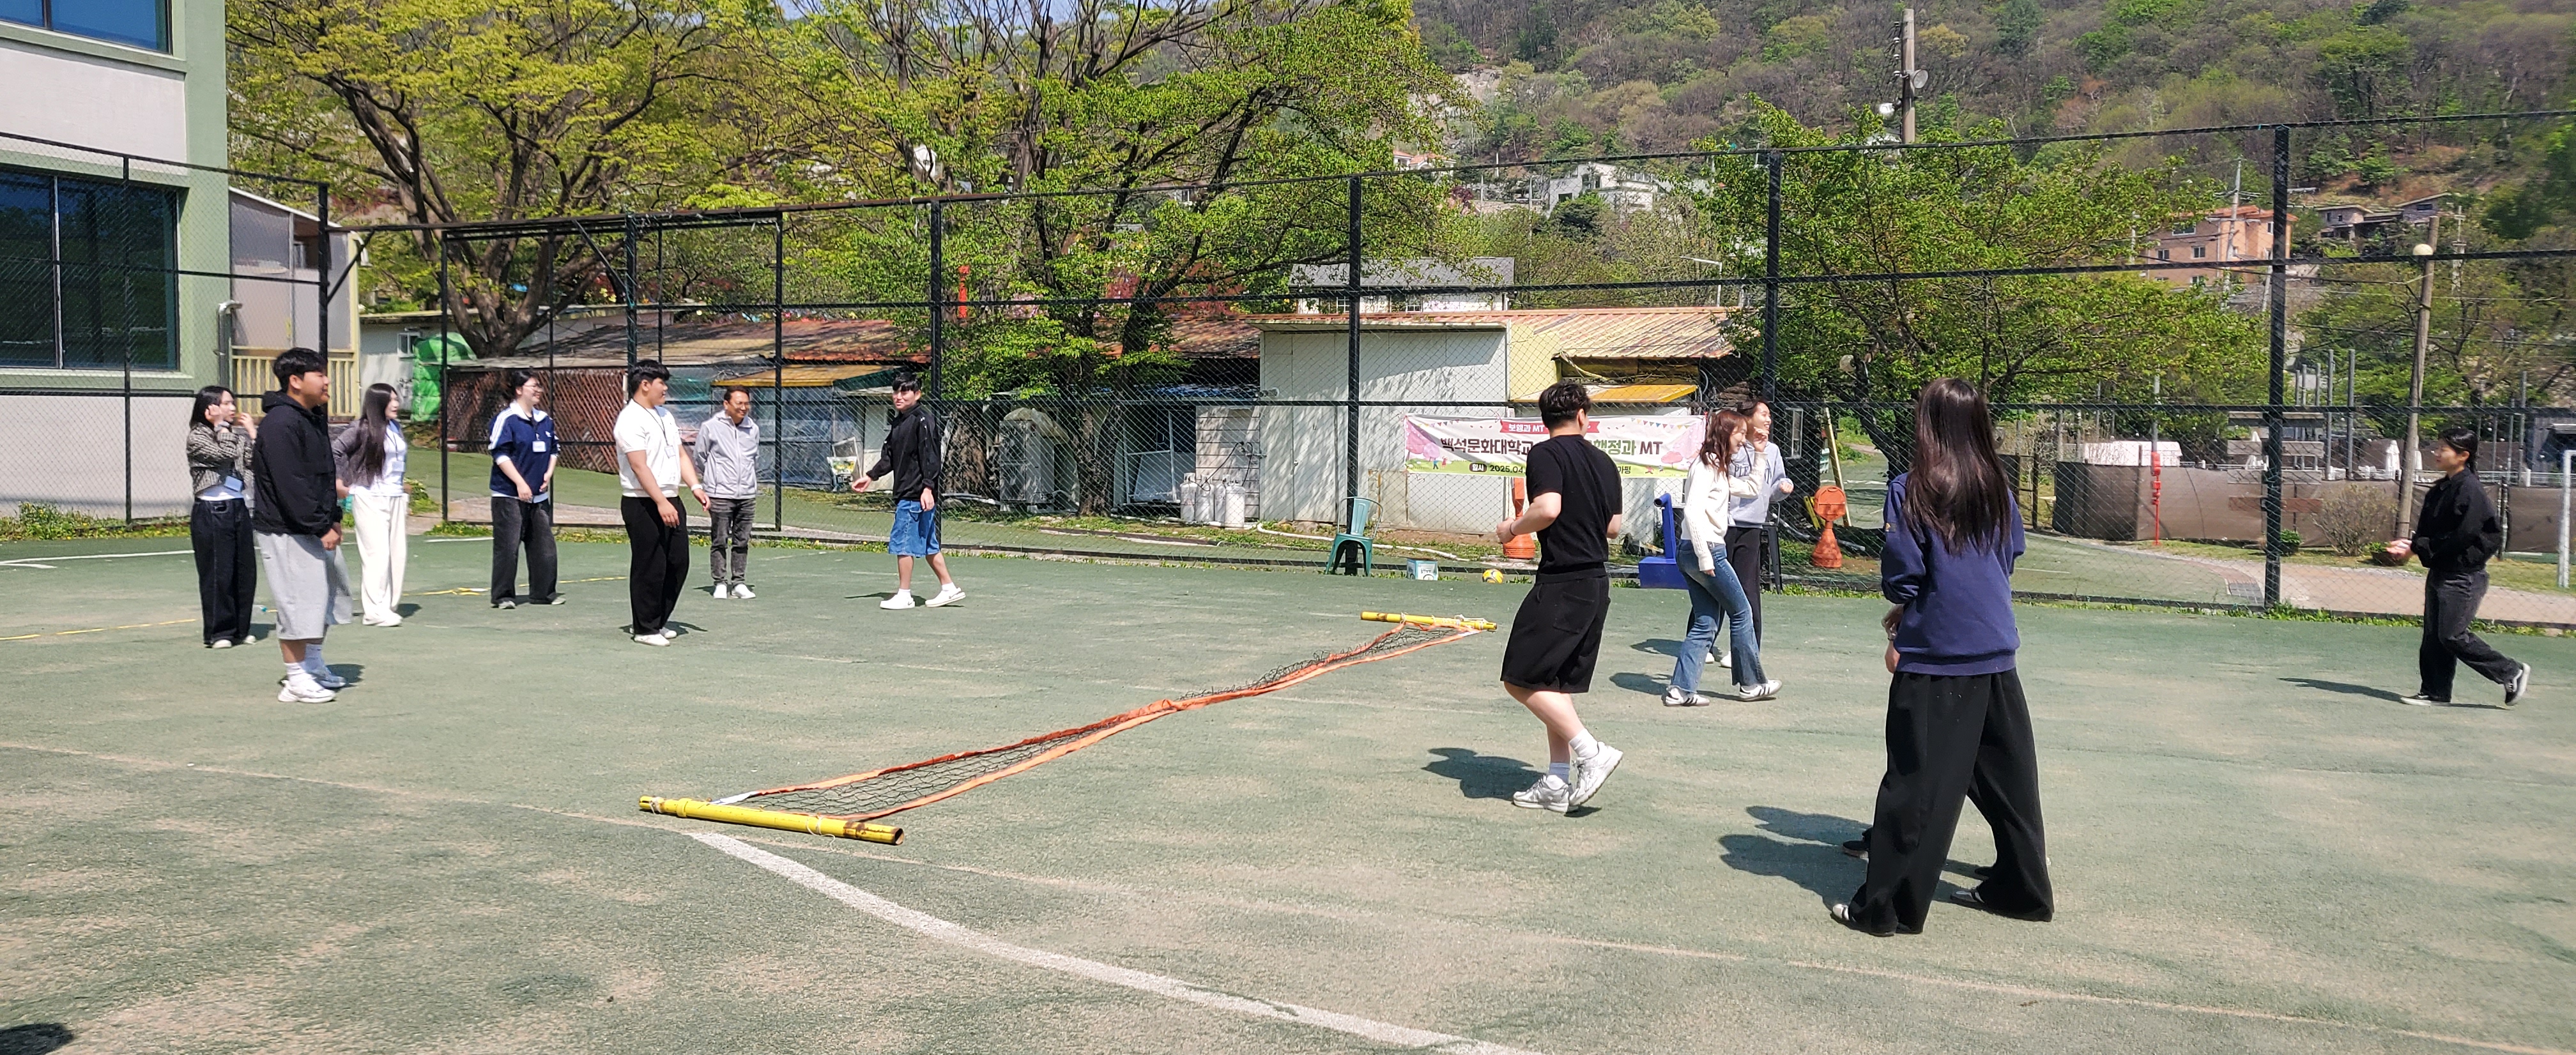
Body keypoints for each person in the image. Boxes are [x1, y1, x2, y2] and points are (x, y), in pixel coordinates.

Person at [1833, 378, 2051, 936]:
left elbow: (1903, 574)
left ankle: (1885, 908)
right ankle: (2023, 889)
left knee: (1917, 780)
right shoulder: (1996, 486)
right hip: (1996, 647)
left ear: (1927, 424)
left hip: (1938, 655)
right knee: (2009, 777)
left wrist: (1902, 622)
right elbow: (2011, 555)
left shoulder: (1913, 488)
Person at [1495, 381, 1626, 813]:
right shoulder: (1604, 462)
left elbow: (1547, 508)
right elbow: (1613, 528)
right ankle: (1556, 779)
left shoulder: (1546, 454)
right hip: (1594, 583)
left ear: (1544, 419)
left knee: (1519, 677)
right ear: (1584, 417)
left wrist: (1512, 529)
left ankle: (1591, 753)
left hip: (1563, 582)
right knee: (1552, 682)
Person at [2391, 426, 2531, 706]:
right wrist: (2412, 546)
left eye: (2443, 448)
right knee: (2434, 635)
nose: (2436, 452)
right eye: (2438, 447)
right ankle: (2435, 692)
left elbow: (2465, 535)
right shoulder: (2442, 488)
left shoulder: (2470, 490)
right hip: (2442, 572)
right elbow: (2434, 532)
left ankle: (2511, 671)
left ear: (2463, 455)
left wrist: (2420, 548)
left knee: (2452, 635)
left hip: (2464, 577)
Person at [250, 348, 354, 702]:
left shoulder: (311, 417)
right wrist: (319, 525)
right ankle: (295, 677)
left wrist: (335, 519)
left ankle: (312, 665)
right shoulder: (281, 423)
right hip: (287, 529)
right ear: (295, 381)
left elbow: (325, 475)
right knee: (297, 602)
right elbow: (289, 484)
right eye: (319, 374)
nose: (327, 381)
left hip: (315, 526)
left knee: (327, 597)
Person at [1670, 409, 1780, 705]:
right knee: (1742, 612)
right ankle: (1751, 684)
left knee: (1706, 622)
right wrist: (1706, 558)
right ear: (1725, 434)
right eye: (1740, 434)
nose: (1744, 439)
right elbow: (1692, 511)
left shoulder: (1719, 468)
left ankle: (1680, 690)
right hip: (1706, 550)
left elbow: (1754, 489)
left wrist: (1760, 455)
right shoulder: (1707, 467)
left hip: (1691, 552)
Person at [853, 372, 963, 609]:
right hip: (913, 492)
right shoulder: (899, 421)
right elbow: (890, 457)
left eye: (905, 392)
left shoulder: (923, 420)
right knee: (928, 545)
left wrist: (928, 488)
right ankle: (949, 588)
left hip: (915, 494)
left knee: (903, 544)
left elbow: (931, 456)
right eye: (896, 392)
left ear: (917, 394)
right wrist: (870, 476)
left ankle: (905, 595)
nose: (899, 396)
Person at [615, 360, 706, 646]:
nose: (665, 388)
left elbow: (679, 454)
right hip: (642, 504)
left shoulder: (665, 415)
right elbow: (640, 467)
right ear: (644, 385)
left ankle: (659, 620)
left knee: (678, 562)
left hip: (671, 497)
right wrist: (660, 503)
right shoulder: (629, 420)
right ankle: (644, 629)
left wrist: (695, 486)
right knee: (650, 565)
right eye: (661, 383)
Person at [1714, 399, 1797, 667]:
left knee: (1749, 592)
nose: (1769, 420)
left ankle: (1749, 649)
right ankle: (1704, 640)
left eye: (1770, 415)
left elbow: (1771, 491)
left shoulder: (1772, 451)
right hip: (1724, 525)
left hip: (1752, 527)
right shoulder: (1732, 447)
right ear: (1747, 419)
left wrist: (1782, 489)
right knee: (1715, 587)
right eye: (1764, 414)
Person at [185, 386, 258, 648]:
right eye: (226, 404)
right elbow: (224, 454)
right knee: (218, 572)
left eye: (232, 403)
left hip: (239, 507)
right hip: (212, 510)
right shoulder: (198, 436)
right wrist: (220, 428)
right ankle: (219, 633)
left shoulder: (232, 434)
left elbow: (254, 463)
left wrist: (252, 435)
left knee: (244, 571)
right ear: (210, 408)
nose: (232, 408)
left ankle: (241, 628)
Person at [334, 383, 411, 627]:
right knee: (377, 554)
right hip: (369, 496)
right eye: (390, 400)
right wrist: (341, 481)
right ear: (378, 404)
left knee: (397, 555)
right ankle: (374, 611)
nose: (396, 404)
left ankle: (387, 606)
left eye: (396, 399)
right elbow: (335, 451)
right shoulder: (361, 428)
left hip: (395, 496)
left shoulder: (395, 428)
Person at [487, 369, 561, 609]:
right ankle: (503, 596)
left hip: (539, 496)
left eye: (540, 386)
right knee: (508, 547)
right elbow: (499, 453)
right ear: (519, 390)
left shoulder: (545, 419)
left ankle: (543, 593)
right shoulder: (506, 419)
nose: (538, 390)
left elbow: (553, 449)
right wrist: (519, 483)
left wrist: (549, 473)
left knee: (544, 547)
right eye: (533, 386)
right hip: (509, 495)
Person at [696, 386, 761, 600]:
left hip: (747, 495)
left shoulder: (754, 429)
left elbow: (754, 458)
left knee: (742, 540)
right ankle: (720, 583)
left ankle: (739, 583)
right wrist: (715, 478)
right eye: (739, 403)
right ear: (726, 404)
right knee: (720, 540)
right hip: (720, 494)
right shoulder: (710, 427)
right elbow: (700, 456)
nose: (744, 408)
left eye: (747, 404)